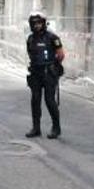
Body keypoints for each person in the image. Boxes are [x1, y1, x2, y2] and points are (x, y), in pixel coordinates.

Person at [25, 11, 64, 139]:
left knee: (49, 101)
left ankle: (56, 128)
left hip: (48, 73)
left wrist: (54, 67)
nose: (36, 25)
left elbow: (61, 54)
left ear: (43, 23)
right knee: (35, 100)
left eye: (39, 23)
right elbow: (30, 54)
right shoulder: (30, 39)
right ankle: (36, 128)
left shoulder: (52, 38)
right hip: (35, 73)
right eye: (34, 23)